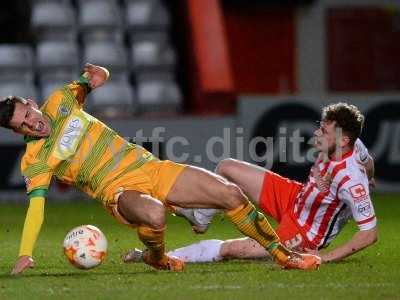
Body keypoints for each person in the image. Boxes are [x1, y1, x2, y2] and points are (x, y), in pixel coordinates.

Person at [0, 64, 321, 275]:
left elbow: (93, 78)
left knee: (231, 193)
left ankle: (282, 256)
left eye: (27, 113)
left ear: (31, 102)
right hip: (119, 192)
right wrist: (25, 252)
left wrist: (100, 74)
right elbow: (36, 208)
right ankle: (157, 255)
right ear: (18, 132)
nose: (32, 123)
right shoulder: (35, 158)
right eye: (23, 125)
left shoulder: (61, 100)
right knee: (154, 214)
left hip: (151, 168)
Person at [123, 103, 378, 264]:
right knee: (227, 167)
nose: (316, 134)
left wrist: (326, 256)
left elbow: (370, 234)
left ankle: (168, 256)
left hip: (306, 231)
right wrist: (372, 176)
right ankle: (201, 218)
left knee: (233, 250)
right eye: (319, 128)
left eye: (323, 131)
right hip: (296, 196)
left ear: (342, 140)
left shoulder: (350, 179)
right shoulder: (354, 146)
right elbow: (368, 163)